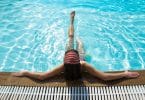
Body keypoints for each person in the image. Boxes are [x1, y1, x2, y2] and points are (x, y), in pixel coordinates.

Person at [12, 11, 140, 81]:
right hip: (81, 58)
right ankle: (74, 27)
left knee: (71, 38)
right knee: (80, 44)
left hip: (73, 57)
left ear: (65, 58)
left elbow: (42, 76)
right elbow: (104, 77)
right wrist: (124, 74)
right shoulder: (83, 64)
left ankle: (71, 21)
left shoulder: (62, 66)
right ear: (78, 60)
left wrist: (25, 72)